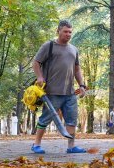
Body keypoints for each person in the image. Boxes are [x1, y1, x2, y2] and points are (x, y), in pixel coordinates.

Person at [31, 20, 87, 154]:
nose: (68, 34)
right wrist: (39, 77)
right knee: (45, 118)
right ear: (58, 31)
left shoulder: (74, 49)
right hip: (51, 92)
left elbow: (77, 69)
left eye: (70, 32)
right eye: (65, 31)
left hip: (70, 93)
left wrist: (82, 85)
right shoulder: (49, 46)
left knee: (72, 119)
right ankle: (36, 144)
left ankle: (71, 146)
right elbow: (36, 62)